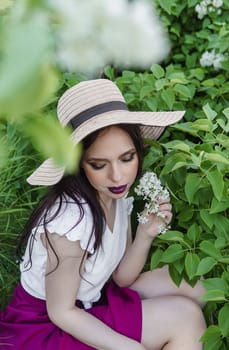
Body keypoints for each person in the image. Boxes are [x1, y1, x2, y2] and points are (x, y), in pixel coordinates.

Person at [0, 79, 206, 350]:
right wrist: (128, 347)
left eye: (127, 158)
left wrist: (145, 233)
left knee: (199, 286)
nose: (117, 176)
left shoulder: (116, 195)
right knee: (185, 318)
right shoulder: (70, 223)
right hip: (46, 327)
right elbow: (61, 312)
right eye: (99, 164)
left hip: (90, 300)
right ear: (78, 164)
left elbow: (122, 278)